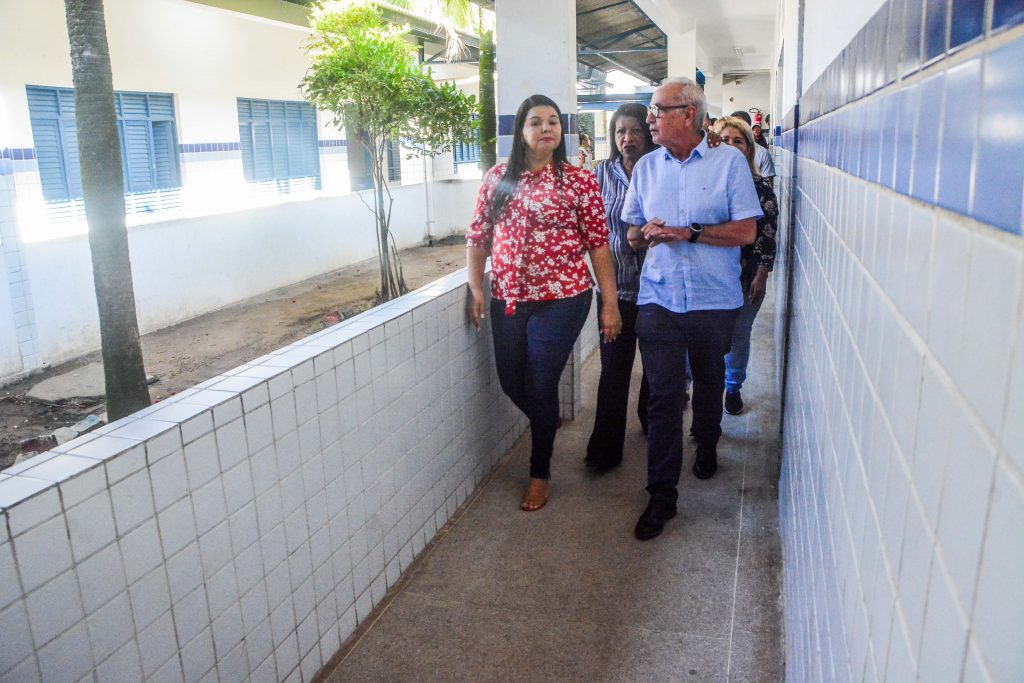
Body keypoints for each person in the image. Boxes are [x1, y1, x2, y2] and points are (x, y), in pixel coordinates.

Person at [466, 94, 622, 512]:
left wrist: (610, 304)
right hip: (508, 298)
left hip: (564, 298)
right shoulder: (497, 178)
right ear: (521, 131)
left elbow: (598, 246)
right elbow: (478, 236)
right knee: (510, 381)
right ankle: (544, 416)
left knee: (539, 383)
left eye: (553, 121)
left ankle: (539, 472)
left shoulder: (578, 181)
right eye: (536, 122)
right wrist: (477, 287)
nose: (546, 128)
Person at [625, 79, 762, 540]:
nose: (649, 119)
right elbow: (631, 235)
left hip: (713, 299)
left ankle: (707, 442)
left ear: (688, 113)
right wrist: (647, 231)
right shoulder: (645, 168)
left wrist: (690, 232)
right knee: (663, 397)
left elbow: (745, 232)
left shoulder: (729, 166)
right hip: (659, 298)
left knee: (708, 384)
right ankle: (661, 495)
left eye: (657, 110)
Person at [584, 103, 657, 471]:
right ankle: (604, 451)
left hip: (658, 291)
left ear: (647, 134)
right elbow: (590, 226)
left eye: (634, 131)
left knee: (655, 367)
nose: (627, 139)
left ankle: (649, 419)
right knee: (613, 369)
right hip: (615, 291)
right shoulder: (602, 174)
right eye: (620, 132)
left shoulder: (660, 170)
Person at [712, 116, 779, 415]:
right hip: (712, 277)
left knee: (738, 337)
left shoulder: (762, 190)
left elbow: (768, 235)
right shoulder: (707, 187)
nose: (731, 146)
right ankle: (698, 386)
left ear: (749, 150)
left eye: (738, 141)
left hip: (747, 277)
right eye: (724, 140)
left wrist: (761, 275)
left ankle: (733, 387)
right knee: (706, 338)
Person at [731, 110, 775, 178]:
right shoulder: (722, 151)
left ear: (748, 126)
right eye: (731, 124)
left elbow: (768, 185)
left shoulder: (762, 153)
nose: (735, 128)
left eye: (739, 124)